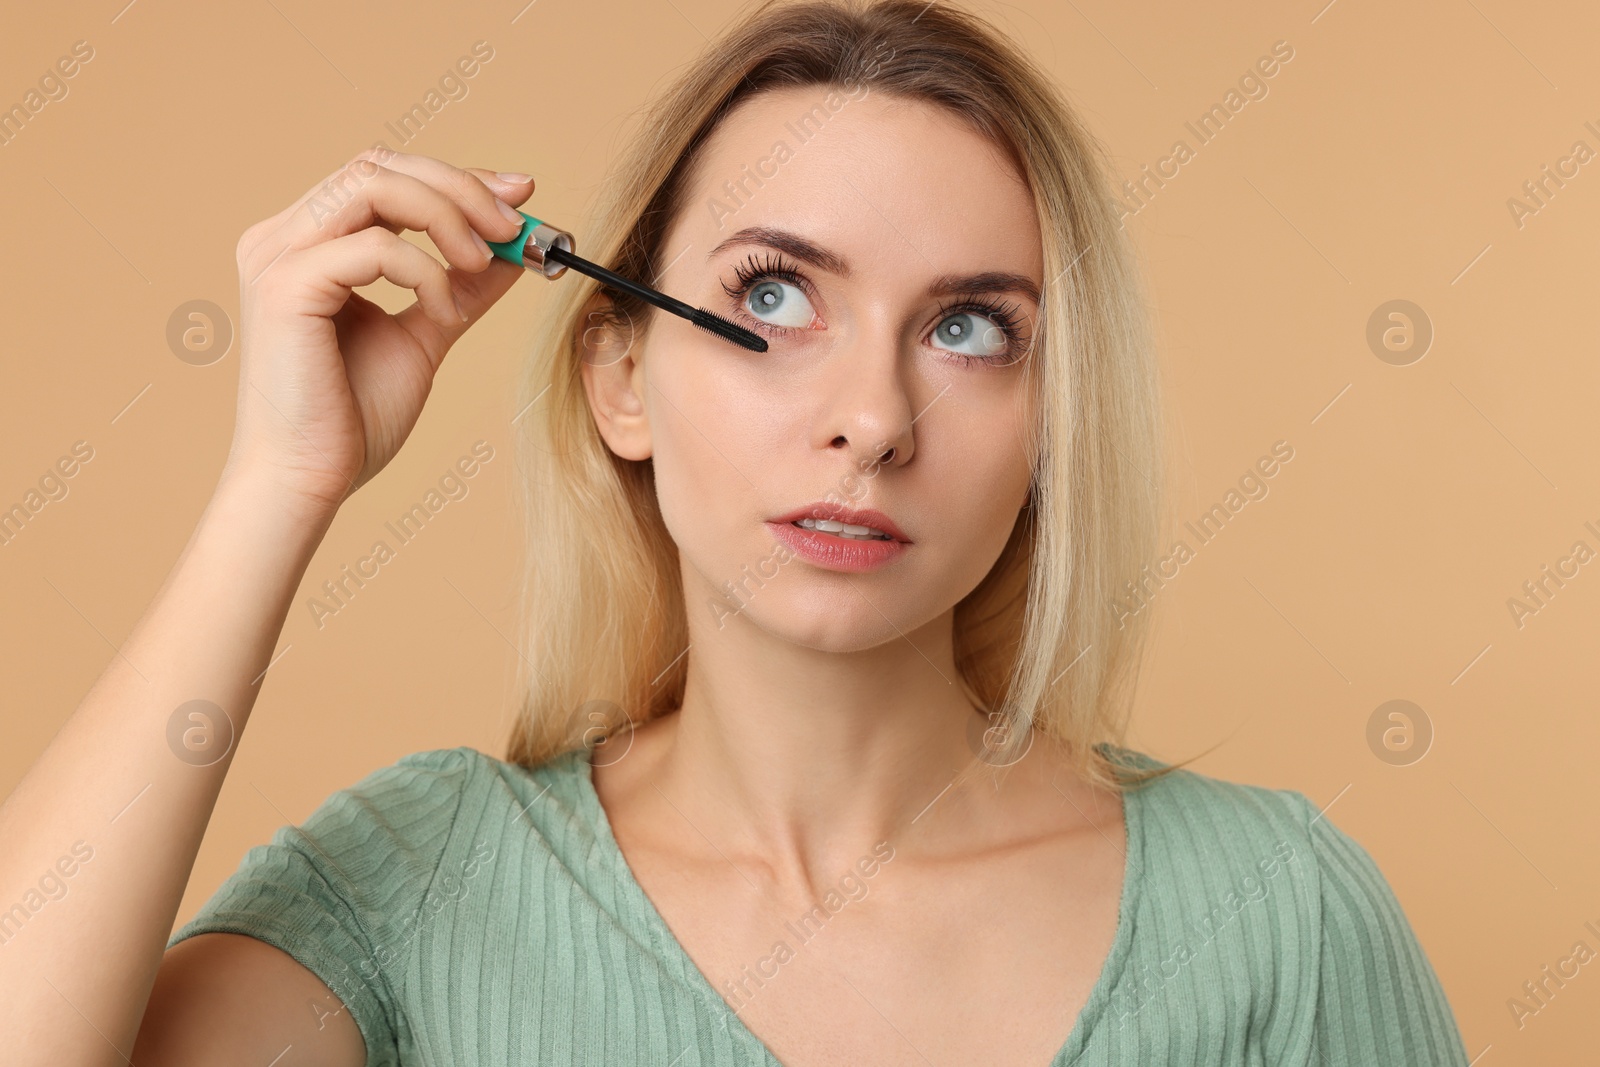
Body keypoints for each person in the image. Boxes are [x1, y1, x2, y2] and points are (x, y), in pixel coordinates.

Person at [0, 0, 1470, 1063]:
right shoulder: (421, 890)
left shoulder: (1280, 912)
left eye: (968, 328)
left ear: (1053, 425)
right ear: (622, 376)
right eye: (773, 295)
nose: (871, 419)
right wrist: (281, 485)